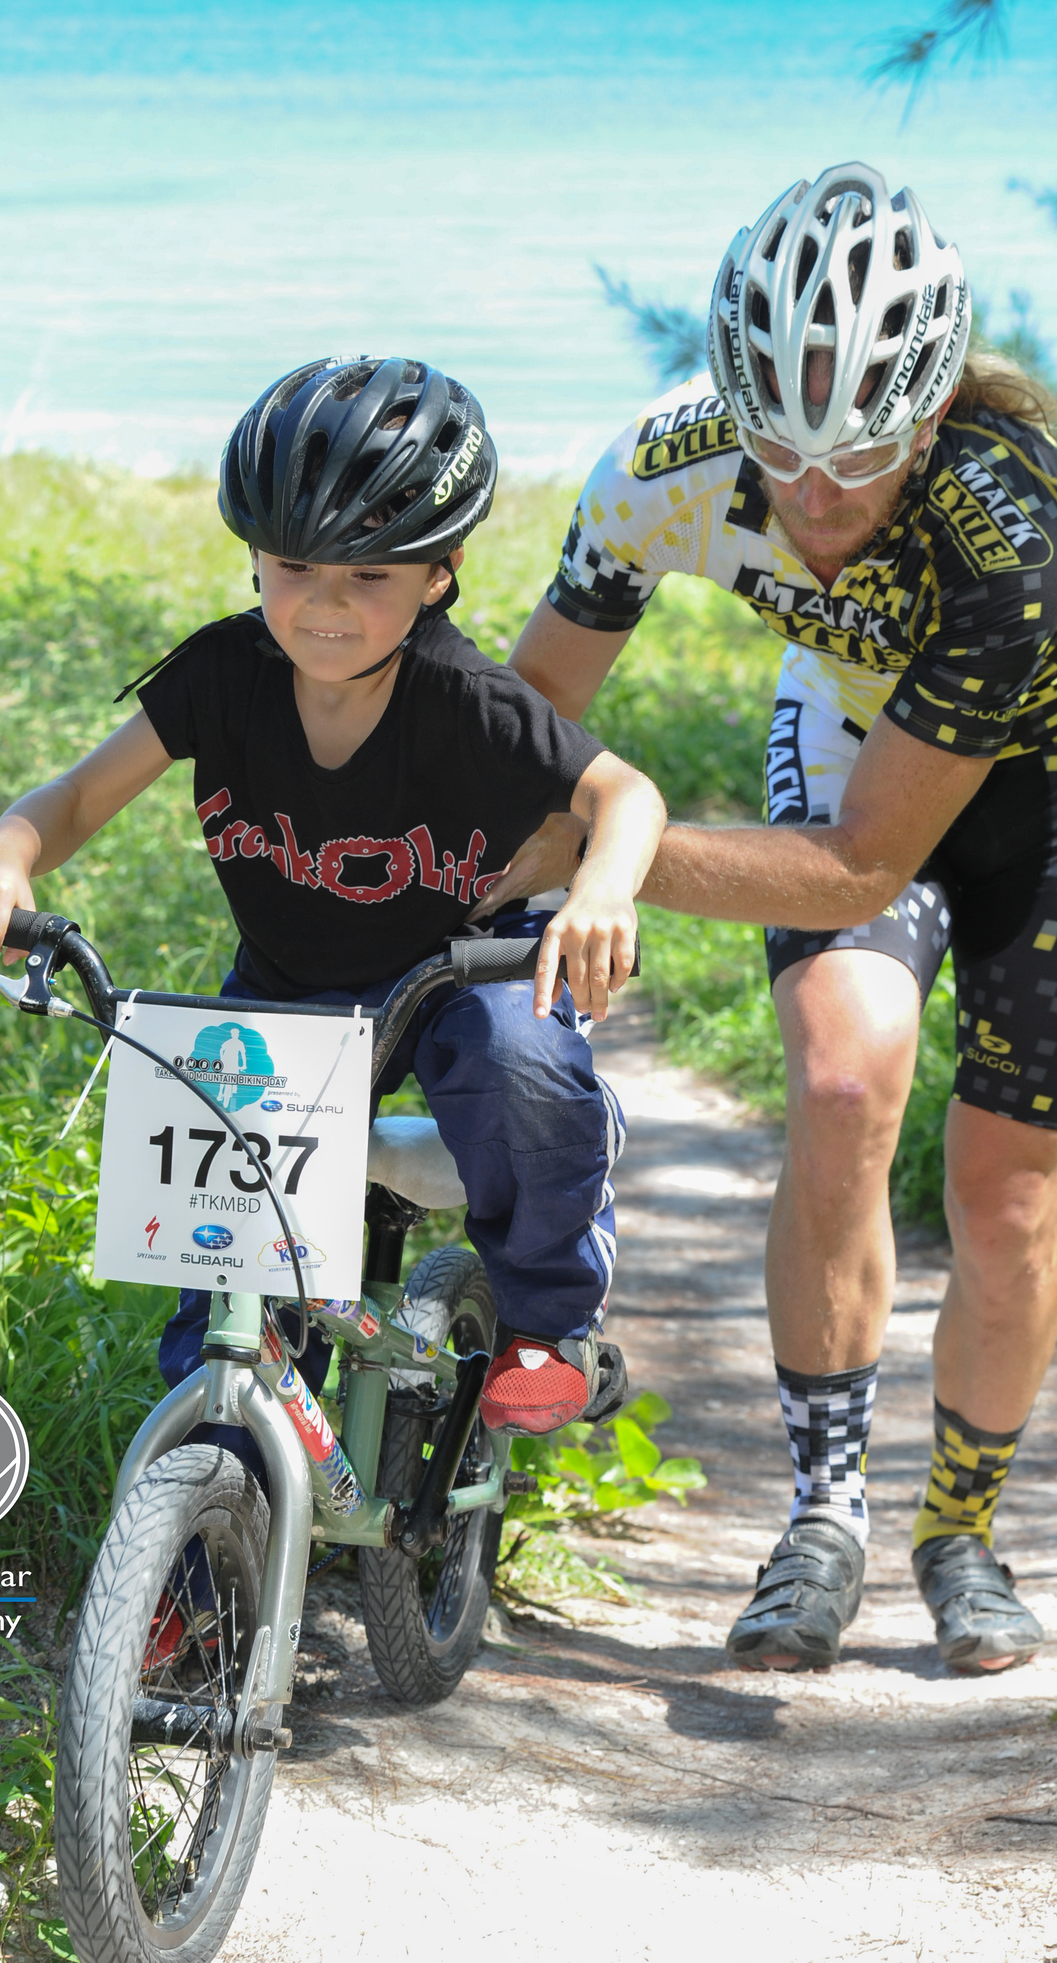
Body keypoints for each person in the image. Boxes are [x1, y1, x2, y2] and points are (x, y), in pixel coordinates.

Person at [496, 163, 1057, 1677]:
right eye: (781, 449)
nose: (815, 498)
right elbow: (532, 713)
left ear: (931, 416)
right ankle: (823, 1517)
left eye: (861, 454)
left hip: (1041, 789)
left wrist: (611, 852)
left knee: (1009, 1192)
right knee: (841, 1079)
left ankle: (960, 1531)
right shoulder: (661, 466)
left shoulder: (1008, 534)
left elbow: (864, 866)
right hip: (863, 730)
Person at [0, 354, 665, 1439]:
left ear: (440, 574)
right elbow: (77, 795)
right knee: (222, 1284)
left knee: (521, 1056)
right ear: (256, 557)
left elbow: (625, 794)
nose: (323, 605)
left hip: (456, 971)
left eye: (369, 576)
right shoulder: (224, 675)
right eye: (293, 566)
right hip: (290, 985)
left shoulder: (466, 697)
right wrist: (5, 853)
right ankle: (224, 1467)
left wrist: (602, 888)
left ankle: (553, 1324)